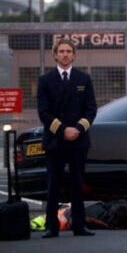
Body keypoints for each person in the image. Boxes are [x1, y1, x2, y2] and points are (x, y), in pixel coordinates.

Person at [36, 38, 97, 238]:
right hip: (55, 141)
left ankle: (79, 226)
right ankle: (51, 227)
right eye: (61, 51)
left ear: (74, 55)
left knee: (77, 184)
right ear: (55, 54)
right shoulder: (45, 80)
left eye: (68, 51)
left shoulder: (83, 79)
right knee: (53, 185)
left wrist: (78, 129)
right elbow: (43, 113)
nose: (65, 54)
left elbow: (91, 110)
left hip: (78, 141)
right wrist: (63, 130)